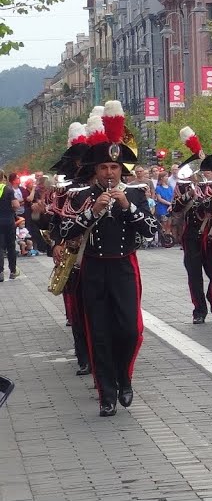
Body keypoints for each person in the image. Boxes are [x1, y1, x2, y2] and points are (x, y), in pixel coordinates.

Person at [58, 106, 159, 417]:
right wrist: (91, 212)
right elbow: (63, 231)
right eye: (104, 167)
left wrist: (127, 206)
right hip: (93, 268)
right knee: (98, 332)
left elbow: (151, 230)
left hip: (124, 267)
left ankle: (124, 377)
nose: (109, 173)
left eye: (114, 167)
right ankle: (107, 394)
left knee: (130, 330)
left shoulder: (137, 194)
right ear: (96, 170)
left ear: (121, 169)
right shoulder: (80, 196)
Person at [0, 170, 20, 280]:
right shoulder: (8, 189)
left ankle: (0, 273)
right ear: (2, 177)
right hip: (8, 221)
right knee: (11, 246)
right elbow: (16, 205)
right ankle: (13, 271)